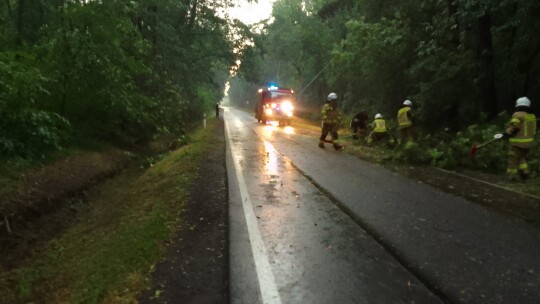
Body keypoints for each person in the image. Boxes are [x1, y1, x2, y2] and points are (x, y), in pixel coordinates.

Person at [504, 97, 536, 181]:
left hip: (517, 143)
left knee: (512, 158)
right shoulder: (532, 116)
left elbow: (515, 127)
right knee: (521, 157)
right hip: (528, 143)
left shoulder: (517, 115)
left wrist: (507, 132)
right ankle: (525, 171)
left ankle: (512, 176)